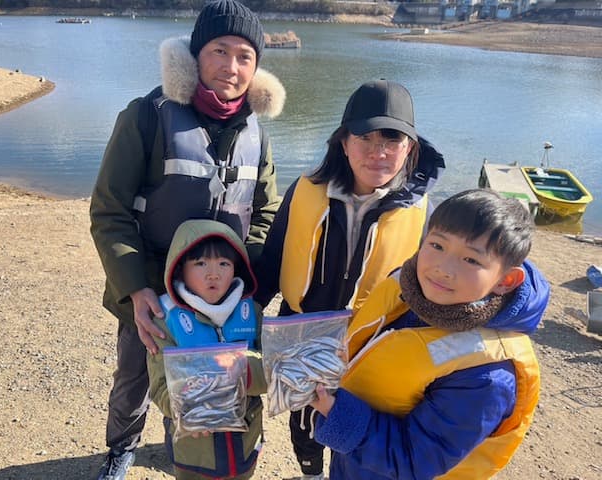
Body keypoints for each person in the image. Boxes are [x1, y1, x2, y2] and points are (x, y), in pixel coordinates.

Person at [89, 1, 285, 478]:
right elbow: (109, 210)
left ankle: (191, 445)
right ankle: (122, 446)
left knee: (218, 374)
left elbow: (266, 212)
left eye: (244, 56)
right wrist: (136, 289)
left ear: (256, 67)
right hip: (152, 288)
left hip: (223, 289)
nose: (231, 67)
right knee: (136, 374)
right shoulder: (146, 116)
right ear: (196, 54)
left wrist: (248, 285)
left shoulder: (256, 132)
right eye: (219, 50)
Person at [254, 79, 445, 479]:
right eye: (365, 137)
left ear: (410, 147)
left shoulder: (424, 213)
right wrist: (245, 309)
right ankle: (310, 473)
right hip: (304, 330)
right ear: (343, 142)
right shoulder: (305, 191)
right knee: (305, 419)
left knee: (359, 423)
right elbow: (271, 259)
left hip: (371, 341)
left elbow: (433, 287)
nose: (378, 152)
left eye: (392, 140)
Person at [310, 188, 550, 479]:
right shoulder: (408, 290)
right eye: (437, 246)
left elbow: (415, 460)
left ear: (506, 280)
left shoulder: (486, 373)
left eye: (471, 260)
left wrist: (338, 414)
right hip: (355, 461)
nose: (443, 269)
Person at [147, 219, 266, 479]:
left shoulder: (251, 313)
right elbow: (158, 387)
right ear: (179, 270)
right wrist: (183, 409)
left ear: (236, 268)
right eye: (200, 264)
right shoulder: (165, 319)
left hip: (245, 440)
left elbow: (271, 370)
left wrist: (244, 370)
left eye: (224, 263)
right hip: (193, 449)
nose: (214, 273)